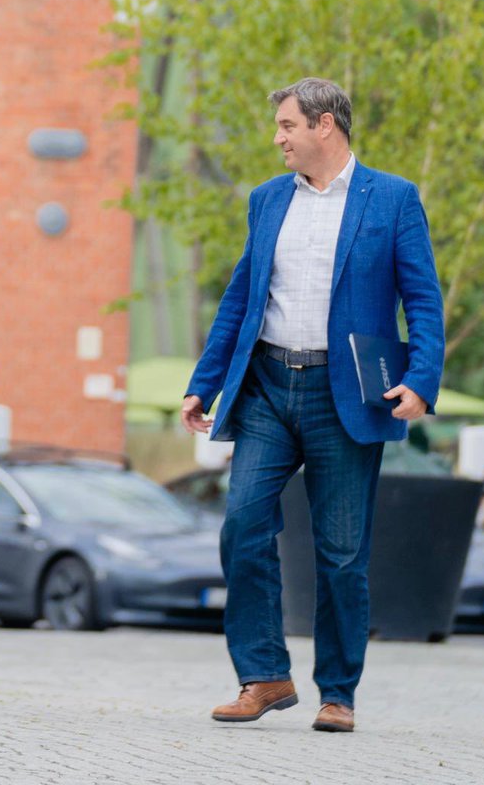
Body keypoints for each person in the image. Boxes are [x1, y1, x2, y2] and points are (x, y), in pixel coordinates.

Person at [181, 78, 444, 732]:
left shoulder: (393, 198)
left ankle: (338, 693)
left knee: (342, 554)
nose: (278, 138)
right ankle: (264, 675)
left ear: (325, 125)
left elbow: (423, 299)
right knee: (242, 526)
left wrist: (421, 379)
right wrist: (204, 381)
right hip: (267, 387)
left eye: (287, 126)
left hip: (345, 395)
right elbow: (240, 297)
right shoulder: (267, 199)